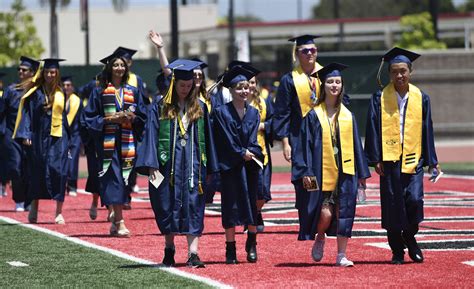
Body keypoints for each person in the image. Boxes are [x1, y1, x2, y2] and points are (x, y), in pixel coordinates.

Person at [136, 58, 218, 268]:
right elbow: (151, 136)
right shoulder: (161, 107)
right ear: (174, 84)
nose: (185, 89)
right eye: (181, 85)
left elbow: (208, 139)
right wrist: (152, 165)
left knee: (194, 206)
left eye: (189, 86)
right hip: (167, 166)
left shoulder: (199, 108)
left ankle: (193, 253)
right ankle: (169, 248)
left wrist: (211, 168)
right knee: (167, 205)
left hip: (193, 167)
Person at [365, 47, 440, 264]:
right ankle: (397, 250)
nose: (399, 75)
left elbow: (427, 129)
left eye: (403, 71)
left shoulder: (421, 98)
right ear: (389, 74)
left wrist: (432, 160)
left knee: (414, 200)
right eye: (395, 71)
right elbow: (372, 128)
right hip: (389, 161)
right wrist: (375, 158)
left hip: (413, 158)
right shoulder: (379, 98)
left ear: (410, 72)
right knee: (392, 205)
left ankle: (409, 236)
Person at [300, 63, 370, 267]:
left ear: (342, 85)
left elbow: (357, 144)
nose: (334, 85)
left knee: (344, 212)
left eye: (337, 82)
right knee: (326, 213)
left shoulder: (348, 115)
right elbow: (304, 146)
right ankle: (320, 236)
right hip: (323, 171)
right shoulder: (313, 115)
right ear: (324, 85)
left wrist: (363, 173)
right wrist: (306, 171)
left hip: (346, 171)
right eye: (330, 81)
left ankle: (341, 254)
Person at [82, 52, 146, 237]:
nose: (119, 68)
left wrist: (131, 118)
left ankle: (114, 221)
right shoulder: (99, 91)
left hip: (127, 142)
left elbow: (143, 115)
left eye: (122, 65)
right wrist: (108, 120)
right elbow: (89, 117)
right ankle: (120, 221)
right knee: (114, 180)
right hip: (107, 142)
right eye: (116, 65)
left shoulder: (132, 91)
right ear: (109, 68)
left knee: (124, 181)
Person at [213, 65, 263, 264]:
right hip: (231, 166)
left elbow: (254, 140)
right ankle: (230, 248)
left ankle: (251, 244)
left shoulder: (254, 113)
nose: (244, 91)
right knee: (230, 206)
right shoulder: (221, 112)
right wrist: (241, 152)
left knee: (252, 204)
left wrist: (251, 152)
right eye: (239, 87)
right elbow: (225, 139)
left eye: (246, 87)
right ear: (231, 90)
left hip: (250, 166)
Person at [13, 58, 70, 224]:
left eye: (53, 72)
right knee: (38, 171)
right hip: (39, 137)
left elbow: (64, 118)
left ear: (57, 73)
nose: (50, 75)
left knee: (59, 172)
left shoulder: (60, 92)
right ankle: (34, 208)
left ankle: (59, 212)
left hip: (58, 137)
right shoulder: (35, 93)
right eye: (47, 72)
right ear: (43, 73)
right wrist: (26, 134)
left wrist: (69, 140)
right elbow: (27, 114)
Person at [0, 57, 39, 211]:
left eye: (24, 70)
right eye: (19, 69)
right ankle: (19, 200)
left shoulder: (36, 91)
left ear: (32, 72)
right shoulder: (11, 90)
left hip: (30, 135)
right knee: (15, 167)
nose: (21, 72)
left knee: (29, 168)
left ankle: (29, 201)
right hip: (12, 134)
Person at [247, 72, 274, 232]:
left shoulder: (263, 102)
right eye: (247, 82)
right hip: (244, 151)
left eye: (252, 82)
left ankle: (257, 211)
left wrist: (263, 126)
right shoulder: (237, 102)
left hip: (262, 150)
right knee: (247, 188)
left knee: (262, 190)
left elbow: (274, 121)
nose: (250, 86)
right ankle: (250, 217)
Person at [78, 73, 104, 220]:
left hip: (111, 143)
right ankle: (94, 201)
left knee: (112, 176)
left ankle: (112, 207)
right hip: (94, 146)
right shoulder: (87, 109)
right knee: (95, 175)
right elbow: (84, 126)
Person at [62, 76, 82, 197]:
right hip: (62, 134)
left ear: (72, 87)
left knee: (73, 161)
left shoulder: (77, 101)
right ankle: (62, 185)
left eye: (68, 85)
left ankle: (72, 185)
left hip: (75, 135)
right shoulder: (58, 99)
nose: (66, 88)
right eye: (64, 85)